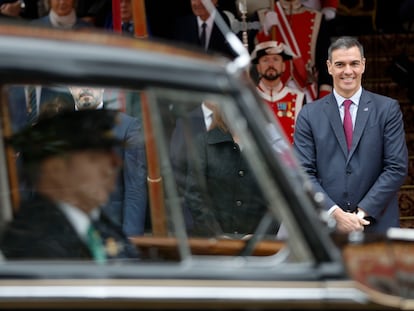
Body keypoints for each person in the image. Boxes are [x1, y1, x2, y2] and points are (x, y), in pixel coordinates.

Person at [293, 36, 409, 234]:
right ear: (329, 67)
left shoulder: (387, 109)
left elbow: (396, 167)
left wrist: (360, 214)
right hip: (326, 227)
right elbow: (302, 172)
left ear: (363, 65)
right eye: (340, 64)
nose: (348, 71)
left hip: (376, 224)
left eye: (354, 63)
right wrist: (335, 214)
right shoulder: (308, 114)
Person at [0, 109, 139, 261]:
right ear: (55, 168)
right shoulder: (34, 244)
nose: (112, 166)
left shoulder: (96, 225)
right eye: (93, 157)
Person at [183, 101, 277, 238]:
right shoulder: (203, 144)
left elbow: (278, 200)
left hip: (257, 245)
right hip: (214, 244)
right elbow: (194, 195)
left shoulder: (266, 147)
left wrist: (259, 236)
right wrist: (216, 234)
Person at [69, 86, 148, 237]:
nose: (86, 88)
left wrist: (131, 242)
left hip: (111, 235)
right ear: (70, 88)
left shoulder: (127, 127)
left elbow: (135, 189)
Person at [254, 0, 332, 102]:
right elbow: (252, 57)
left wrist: (324, 98)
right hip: (271, 89)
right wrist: (264, 31)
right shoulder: (261, 16)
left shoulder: (317, 18)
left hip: (306, 90)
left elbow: (325, 64)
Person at [251, 40, 305, 144]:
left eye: (276, 59)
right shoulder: (248, 97)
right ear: (258, 67)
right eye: (265, 60)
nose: (271, 64)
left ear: (283, 66)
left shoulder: (299, 98)